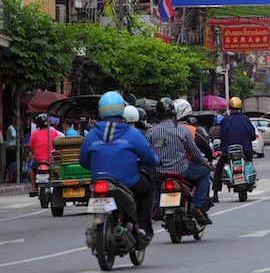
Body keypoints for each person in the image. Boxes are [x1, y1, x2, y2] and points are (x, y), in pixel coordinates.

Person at [80, 91, 161, 248]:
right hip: (128, 182)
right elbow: (149, 159)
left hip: (99, 182)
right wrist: (156, 161)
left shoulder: (91, 134)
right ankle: (143, 229)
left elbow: (83, 161)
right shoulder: (132, 133)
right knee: (148, 191)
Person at [147, 98, 213, 225]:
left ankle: (157, 205)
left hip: (160, 173)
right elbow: (195, 155)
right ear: (174, 113)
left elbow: (148, 155)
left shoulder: (151, 132)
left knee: (151, 176)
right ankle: (196, 205)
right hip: (181, 171)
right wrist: (206, 163)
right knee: (205, 172)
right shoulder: (183, 130)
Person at [212, 97, 257, 202]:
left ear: (230, 108)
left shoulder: (225, 120)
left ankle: (215, 194)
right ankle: (251, 181)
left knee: (218, 169)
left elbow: (221, 136)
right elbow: (253, 135)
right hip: (245, 151)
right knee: (249, 162)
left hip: (228, 152)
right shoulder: (245, 119)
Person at [27, 113, 59, 196]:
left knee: (31, 168)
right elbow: (56, 145)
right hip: (51, 159)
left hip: (38, 160)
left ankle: (33, 187)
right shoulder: (53, 132)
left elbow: (31, 147)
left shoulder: (34, 134)